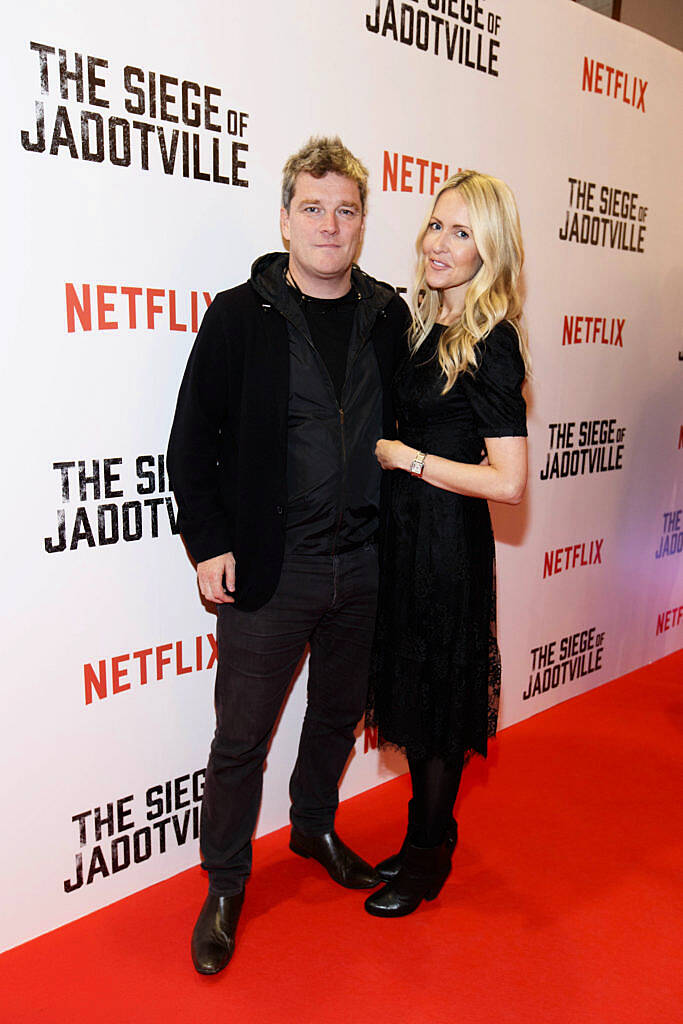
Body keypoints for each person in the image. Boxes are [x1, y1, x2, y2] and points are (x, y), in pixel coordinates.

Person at [167, 136, 410, 973]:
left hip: (366, 562)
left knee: (337, 716)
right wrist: (208, 544)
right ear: (285, 217)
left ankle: (312, 828)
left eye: (345, 209)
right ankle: (226, 882)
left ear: (362, 223)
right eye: (312, 207)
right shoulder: (240, 314)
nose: (329, 225)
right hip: (273, 568)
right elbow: (190, 442)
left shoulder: (390, 315)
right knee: (240, 738)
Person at [364, 170, 530, 917]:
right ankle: (426, 833)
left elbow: (509, 482)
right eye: (436, 225)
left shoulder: (491, 345)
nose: (440, 243)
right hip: (404, 542)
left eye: (462, 232)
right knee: (414, 694)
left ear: (488, 251)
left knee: (436, 706)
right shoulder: (423, 327)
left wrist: (412, 459)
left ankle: (428, 859)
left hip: (446, 549)